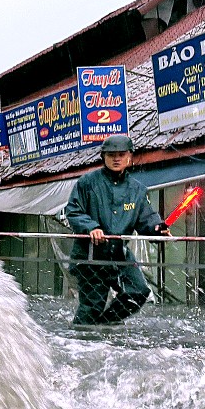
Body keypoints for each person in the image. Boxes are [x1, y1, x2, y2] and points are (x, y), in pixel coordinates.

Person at [65, 134, 170, 325]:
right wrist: (92, 228)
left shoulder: (137, 190)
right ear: (103, 156)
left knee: (137, 292)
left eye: (121, 154)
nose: (116, 159)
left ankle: (105, 326)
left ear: (130, 156)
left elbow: (146, 218)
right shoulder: (87, 183)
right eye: (111, 154)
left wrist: (157, 229)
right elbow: (73, 210)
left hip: (119, 254)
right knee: (92, 306)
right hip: (91, 256)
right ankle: (78, 343)